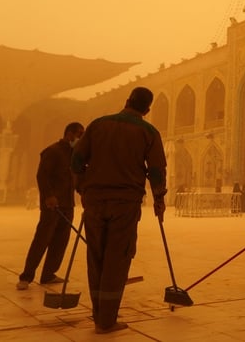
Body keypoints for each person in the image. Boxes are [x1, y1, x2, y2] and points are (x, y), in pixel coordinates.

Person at [71, 87, 167, 335]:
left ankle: (98, 314)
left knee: (96, 257)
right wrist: (159, 199)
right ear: (147, 110)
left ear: (127, 101)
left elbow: (76, 160)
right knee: (117, 258)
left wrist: (82, 186)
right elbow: (156, 170)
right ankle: (106, 320)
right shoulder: (148, 131)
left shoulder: (98, 125)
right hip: (124, 203)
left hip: (94, 200)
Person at [16, 122, 85, 290]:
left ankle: (48, 274)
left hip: (68, 204)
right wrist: (49, 196)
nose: (81, 139)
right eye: (79, 135)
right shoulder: (53, 151)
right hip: (52, 206)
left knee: (60, 241)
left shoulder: (74, 154)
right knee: (42, 239)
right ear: (69, 134)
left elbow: (76, 177)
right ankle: (26, 276)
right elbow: (42, 175)